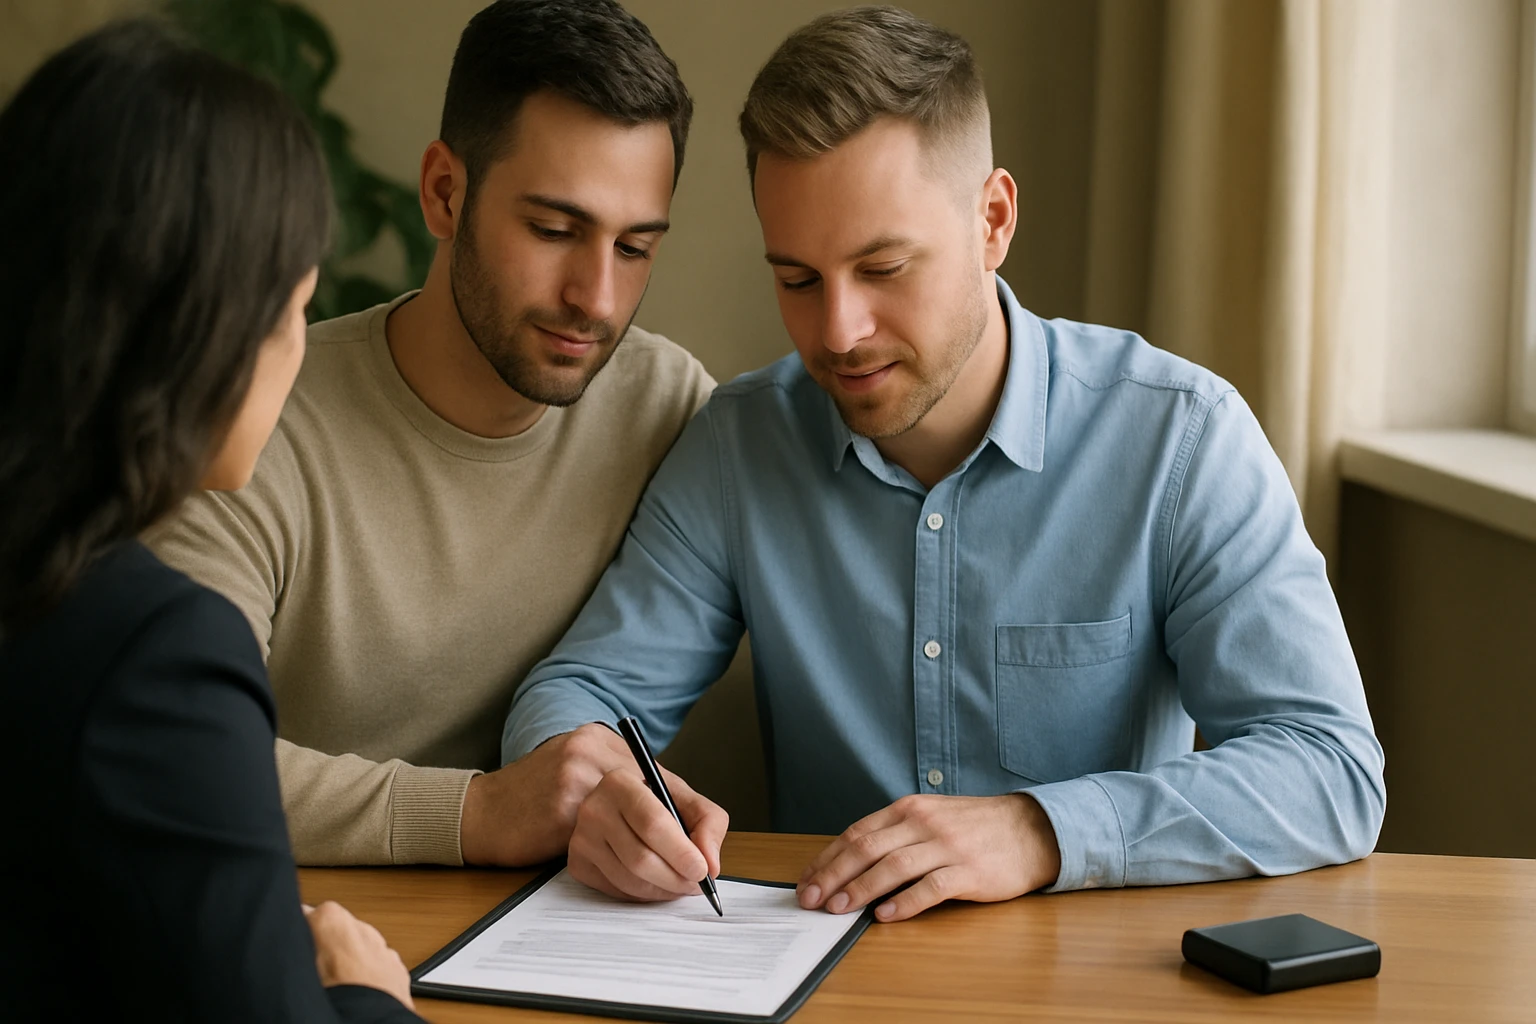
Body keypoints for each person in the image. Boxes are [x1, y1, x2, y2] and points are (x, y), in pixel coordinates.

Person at [503, 6, 1386, 921]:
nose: (838, 331)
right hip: (822, 964)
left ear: (993, 220)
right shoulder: (740, 446)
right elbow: (579, 694)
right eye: (797, 279)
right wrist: (598, 788)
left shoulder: (1182, 439)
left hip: (1102, 973)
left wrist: (1040, 831)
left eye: (884, 268)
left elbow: (1330, 768)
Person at [149, 0, 714, 868]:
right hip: (309, 928)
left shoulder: (668, 409)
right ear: (445, 192)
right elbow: (174, 751)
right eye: (553, 230)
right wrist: (476, 812)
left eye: (634, 248)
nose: (597, 298)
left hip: (567, 929)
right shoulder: (255, 424)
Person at [0, 21, 420, 1022]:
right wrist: (368, 998)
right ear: (215, 326)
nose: (300, 348)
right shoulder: (155, 655)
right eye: (297, 309)